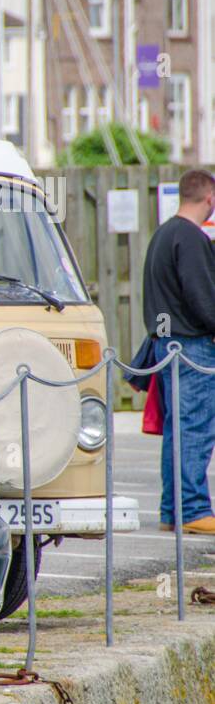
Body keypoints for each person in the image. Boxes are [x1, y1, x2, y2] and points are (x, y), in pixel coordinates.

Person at [142, 169, 215, 535]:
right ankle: (194, 508)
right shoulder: (190, 238)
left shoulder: (163, 234)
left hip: (164, 341)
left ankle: (174, 509)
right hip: (191, 345)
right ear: (209, 199)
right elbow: (202, 298)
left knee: (177, 428)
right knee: (195, 427)